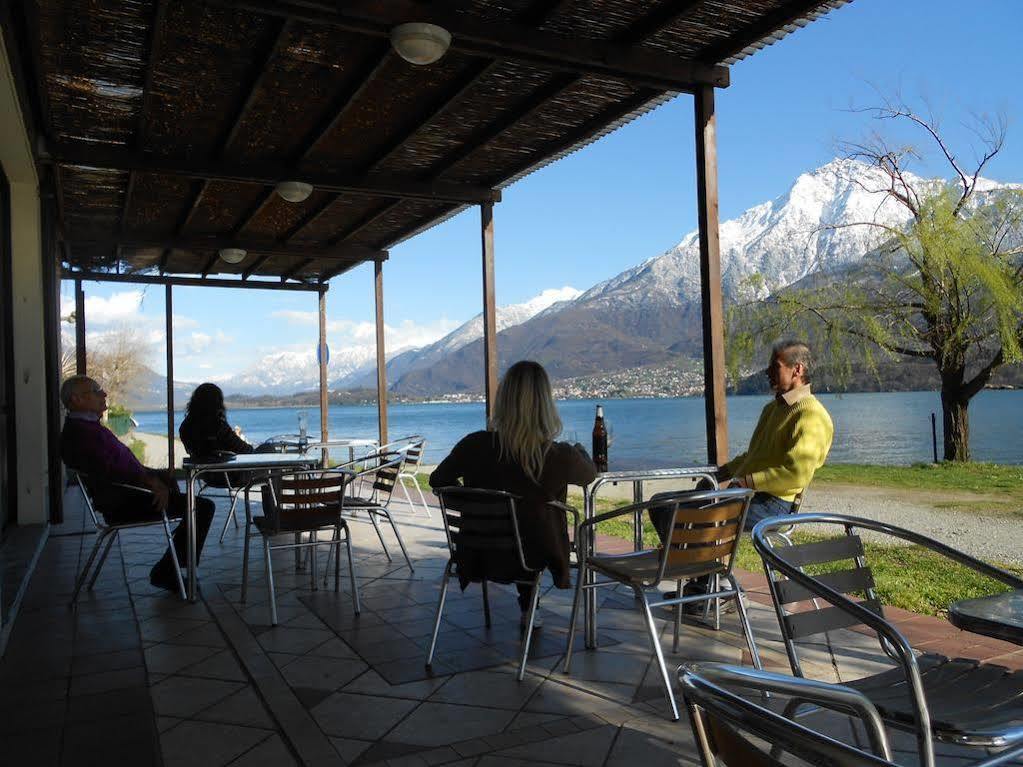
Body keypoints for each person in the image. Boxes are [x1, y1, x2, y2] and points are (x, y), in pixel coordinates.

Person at [652, 340, 834, 607]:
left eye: (775, 367)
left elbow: (796, 474)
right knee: (663, 504)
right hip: (748, 494)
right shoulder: (772, 409)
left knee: (695, 514)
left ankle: (715, 586)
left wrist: (746, 481)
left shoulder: (811, 415)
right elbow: (752, 457)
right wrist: (718, 472)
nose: (768, 373)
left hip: (774, 503)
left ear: (798, 369)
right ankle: (705, 581)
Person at [430, 360, 597, 627]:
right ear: (545, 404)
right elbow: (589, 474)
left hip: (477, 551)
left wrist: (476, 506)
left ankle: (529, 605)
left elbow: (438, 480)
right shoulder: (557, 455)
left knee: (526, 517)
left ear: (504, 400)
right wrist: (580, 450)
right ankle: (530, 608)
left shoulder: (473, 445)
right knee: (533, 522)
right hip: (532, 555)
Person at [60, 375, 215, 593]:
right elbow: (112, 472)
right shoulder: (82, 434)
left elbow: (118, 468)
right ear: (76, 400)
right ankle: (167, 571)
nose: (104, 394)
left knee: (186, 499)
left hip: (128, 496)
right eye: (96, 391)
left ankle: (170, 569)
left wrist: (157, 477)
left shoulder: (85, 428)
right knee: (202, 507)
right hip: (123, 504)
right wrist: (152, 482)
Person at [179, 382, 254, 488]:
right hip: (232, 476)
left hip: (207, 477)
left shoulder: (185, 427)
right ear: (218, 404)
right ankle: (274, 503)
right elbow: (245, 449)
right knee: (269, 454)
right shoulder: (218, 426)